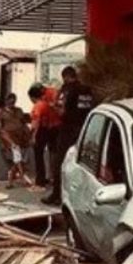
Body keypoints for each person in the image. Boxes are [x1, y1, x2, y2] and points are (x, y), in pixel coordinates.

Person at [42, 66, 94, 205]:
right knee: (83, 164)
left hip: (68, 130)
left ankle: (57, 194)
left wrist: (53, 106)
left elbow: (62, 111)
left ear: (65, 76)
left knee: (60, 163)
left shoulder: (68, 90)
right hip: (85, 130)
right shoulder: (87, 90)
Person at [28, 82, 60, 189]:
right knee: (54, 152)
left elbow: (35, 123)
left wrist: (32, 136)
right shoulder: (50, 98)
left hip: (45, 127)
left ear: (33, 97)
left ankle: (40, 180)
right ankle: (53, 178)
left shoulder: (39, 106)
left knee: (38, 153)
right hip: (56, 126)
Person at [0, 93, 35, 189]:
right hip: (10, 140)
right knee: (17, 160)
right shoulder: (2, 113)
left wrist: (29, 136)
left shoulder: (19, 111)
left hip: (21, 139)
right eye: (10, 101)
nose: (12, 103)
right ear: (6, 101)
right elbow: (1, 129)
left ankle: (12, 181)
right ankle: (20, 178)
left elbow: (24, 123)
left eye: (13, 101)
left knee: (18, 160)